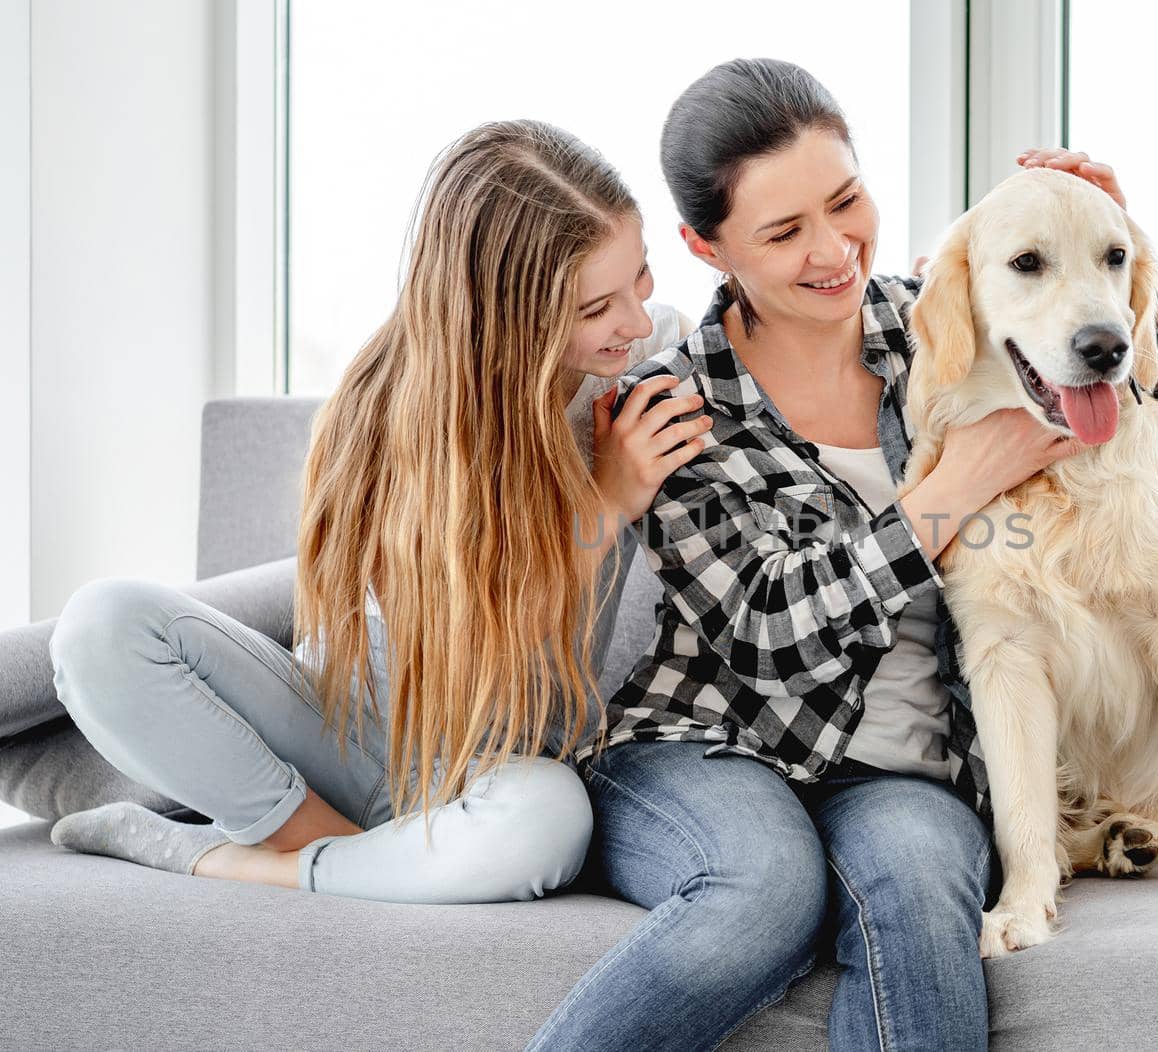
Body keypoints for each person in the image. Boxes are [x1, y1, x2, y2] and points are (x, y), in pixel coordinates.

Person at [527, 59, 1158, 1051]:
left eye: (845, 200)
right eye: (783, 232)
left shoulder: (942, 322)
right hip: (707, 746)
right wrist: (946, 493)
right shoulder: (672, 399)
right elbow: (768, 638)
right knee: (765, 887)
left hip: (908, 767)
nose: (833, 250)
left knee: (916, 894)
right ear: (707, 245)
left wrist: (1114, 260)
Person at [45, 119, 712, 904]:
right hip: (347, 734)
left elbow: (773, 382)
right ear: (505, 317)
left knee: (550, 822)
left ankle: (252, 864)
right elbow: (478, 670)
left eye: (640, 277)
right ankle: (321, 850)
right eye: (595, 307)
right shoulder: (391, 413)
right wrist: (607, 503)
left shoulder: (645, 355)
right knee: (100, 625)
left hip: (498, 767)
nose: (636, 320)